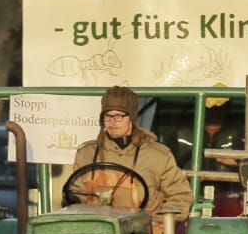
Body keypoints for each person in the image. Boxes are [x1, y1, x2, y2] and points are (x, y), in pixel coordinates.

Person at [71, 86, 193, 217]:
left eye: (118, 116)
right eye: (108, 116)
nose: (112, 122)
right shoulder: (86, 154)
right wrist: (73, 201)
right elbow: (75, 194)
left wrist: (157, 223)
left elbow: (181, 195)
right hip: (99, 233)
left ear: (132, 117)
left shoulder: (158, 155)